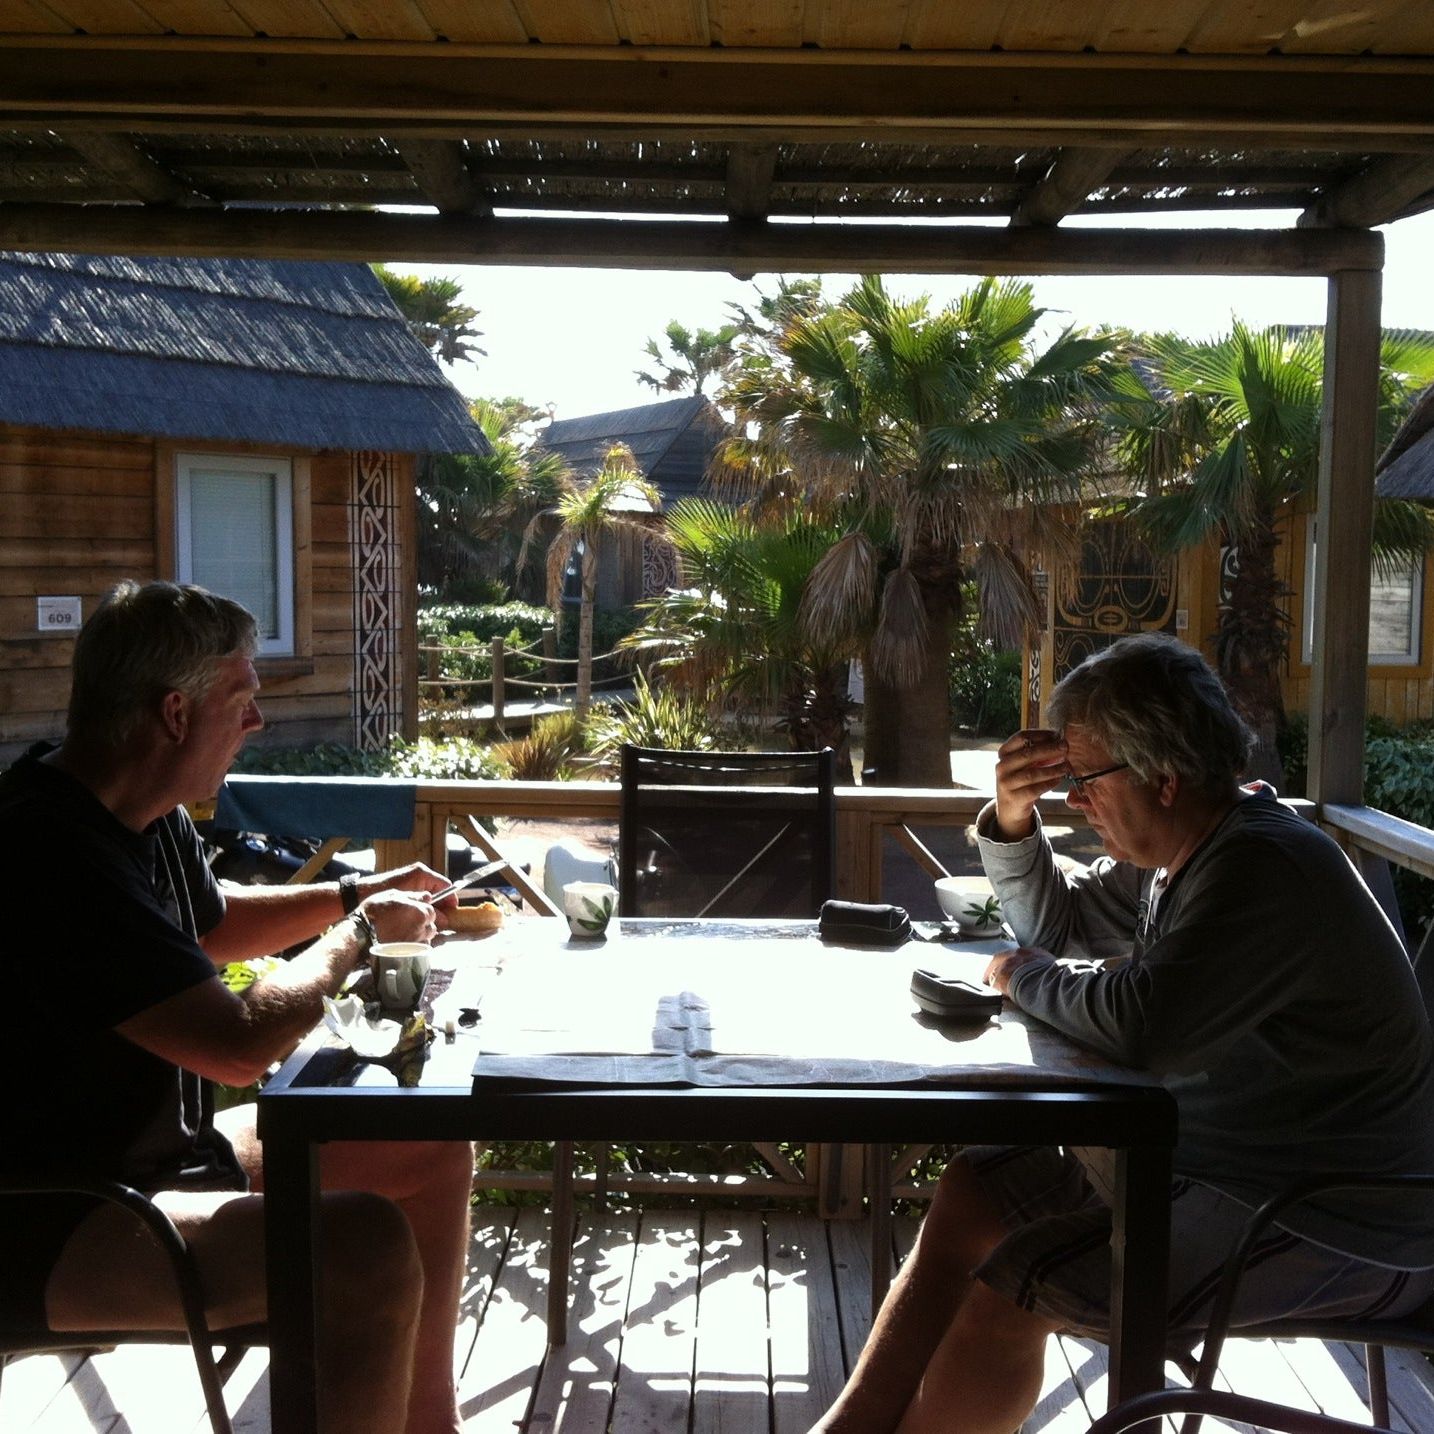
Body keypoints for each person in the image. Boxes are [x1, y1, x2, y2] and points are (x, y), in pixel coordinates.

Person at [813, 633, 1434, 1434]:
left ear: (1163, 777)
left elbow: (1144, 1028)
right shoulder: (1188, 849)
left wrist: (1019, 976)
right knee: (977, 1190)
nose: (1076, 800)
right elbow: (1065, 926)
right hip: (1214, 1165)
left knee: (1024, 1280)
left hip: (1334, 1221)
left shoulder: (1261, 868)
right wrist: (1011, 818)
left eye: (1087, 779)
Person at [0, 580, 474, 1434]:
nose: (255, 721)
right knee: (360, 1251)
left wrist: (355, 889)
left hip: (163, 1163)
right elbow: (238, 1046)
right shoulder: (44, 850)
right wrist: (362, 932)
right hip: (53, 1216)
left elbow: (208, 926)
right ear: (176, 714)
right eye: (244, 697)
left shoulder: (141, 811)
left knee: (424, 1142)